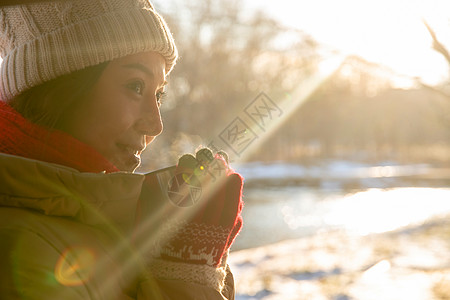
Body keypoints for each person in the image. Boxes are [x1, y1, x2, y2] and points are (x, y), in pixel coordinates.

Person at [0, 1, 244, 299]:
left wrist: (181, 256)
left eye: (159, 95)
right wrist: (183, 281)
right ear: (58, 89)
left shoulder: (104, 216)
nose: (156, 125)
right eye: (136, 86)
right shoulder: (18, 249)